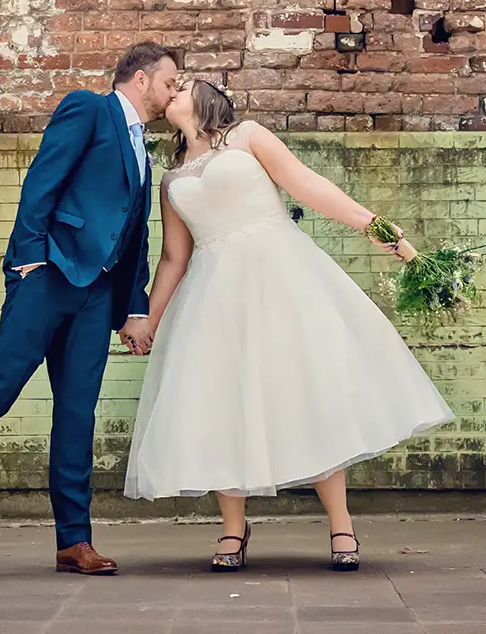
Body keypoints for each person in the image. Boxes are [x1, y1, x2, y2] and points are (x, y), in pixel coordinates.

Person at [124, 79, 454, 572]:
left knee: (308, 392)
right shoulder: (170, 177)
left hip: (281, 276)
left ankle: (341, 523)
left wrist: (383, 231)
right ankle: (233, 531)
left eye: (183, 86)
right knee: (222, 403)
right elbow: (174, 256)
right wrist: (146, 319)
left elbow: (308, 186)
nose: (172, 91)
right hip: (213, 294)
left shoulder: (248, 135)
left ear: (207, 98)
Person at [0, 42, 180, 577]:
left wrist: (134, 308)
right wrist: (28, 260)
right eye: (169, 81)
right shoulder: (89, 108)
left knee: (76, 415)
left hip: (97, 296)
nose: (173, 92)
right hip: (49, 277)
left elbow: (134, 233)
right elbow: (41, 185)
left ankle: (74, 541)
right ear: (141, 79)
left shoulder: (143, 148)